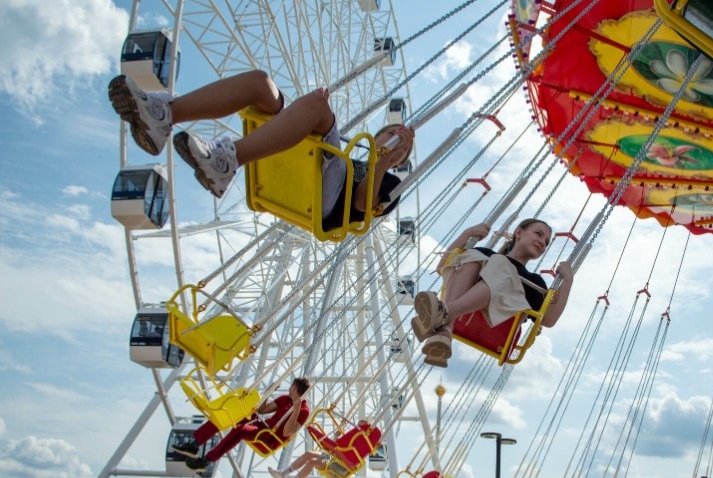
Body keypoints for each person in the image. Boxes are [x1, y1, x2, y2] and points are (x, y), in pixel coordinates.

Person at [107, 71, 414, 215]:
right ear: (374, 137)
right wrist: (309, 108)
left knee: (317, 108)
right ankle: (164, 115)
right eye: (390, 134)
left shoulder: (390, 183)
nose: (393, 141)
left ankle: (227, 161)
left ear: (400, 161)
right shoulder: (349, 154)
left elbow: (360, 204)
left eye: (402, 145)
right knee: (260, 84)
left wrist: (385, 158)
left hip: (327, 202)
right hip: (307, 165)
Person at [412, 220, 574, 367]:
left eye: (546, 242)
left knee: (501, 264)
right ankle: (444, 331)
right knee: (474, 255)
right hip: (466, 316)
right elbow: (444, 267)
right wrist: (467, 234)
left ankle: (444, 313)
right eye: (538, 234)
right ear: (518, 233)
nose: (542, 242)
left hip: (498, 326)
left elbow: (548, 319)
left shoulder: (534, 282)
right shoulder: (485, 254)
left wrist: (568, 280)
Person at [177, 378, 312, 470]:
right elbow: (262, 410)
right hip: (262, 426)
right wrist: (268, 392)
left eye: (291, 386)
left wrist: (296, 410)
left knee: (240, 430)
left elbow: (287, 433)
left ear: (294, 387)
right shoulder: (284, 399)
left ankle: (206, 460)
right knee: (232, 414)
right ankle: (194, 444)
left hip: (270, 437)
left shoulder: (304, 411)